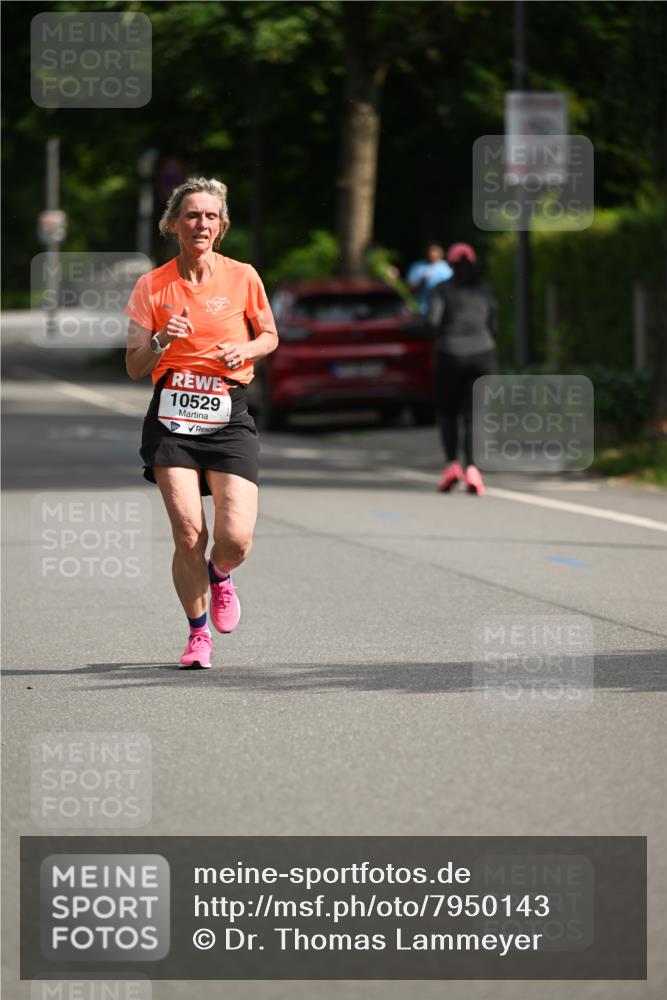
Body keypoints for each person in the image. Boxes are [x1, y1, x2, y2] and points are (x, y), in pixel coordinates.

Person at [125, 177, 278, 668]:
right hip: (172, 417)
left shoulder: (243, 276)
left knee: (235, 537)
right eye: (192, 215)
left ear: (223, 225)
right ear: (173, 224)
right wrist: (159, 341)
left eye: (211, 216)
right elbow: (133, 366)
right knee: (188, 531)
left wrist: (246, 348)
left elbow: (270, 335)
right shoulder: (152, 286)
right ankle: (197, 636)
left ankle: (221, 574)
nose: (202, 224)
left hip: (228, 414)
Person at [427, 242, 498, 496]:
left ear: (450, 264)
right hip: (483, 355)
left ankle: (451, 466)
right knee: (475, 415)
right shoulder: (484, 290)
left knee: (448, 414)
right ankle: (474, 471)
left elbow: (433, 321)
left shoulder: (441, 290)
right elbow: (494, 324)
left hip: (450, 355)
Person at [406, 241, 453, 315]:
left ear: (441, 252)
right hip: (420, 309)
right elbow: (408, 290)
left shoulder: (447, 268)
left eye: (435, 250)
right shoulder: (417, 266)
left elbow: (452, 289)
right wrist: (421, 282)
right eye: (430, 250)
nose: (431, 253)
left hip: (441, 310)